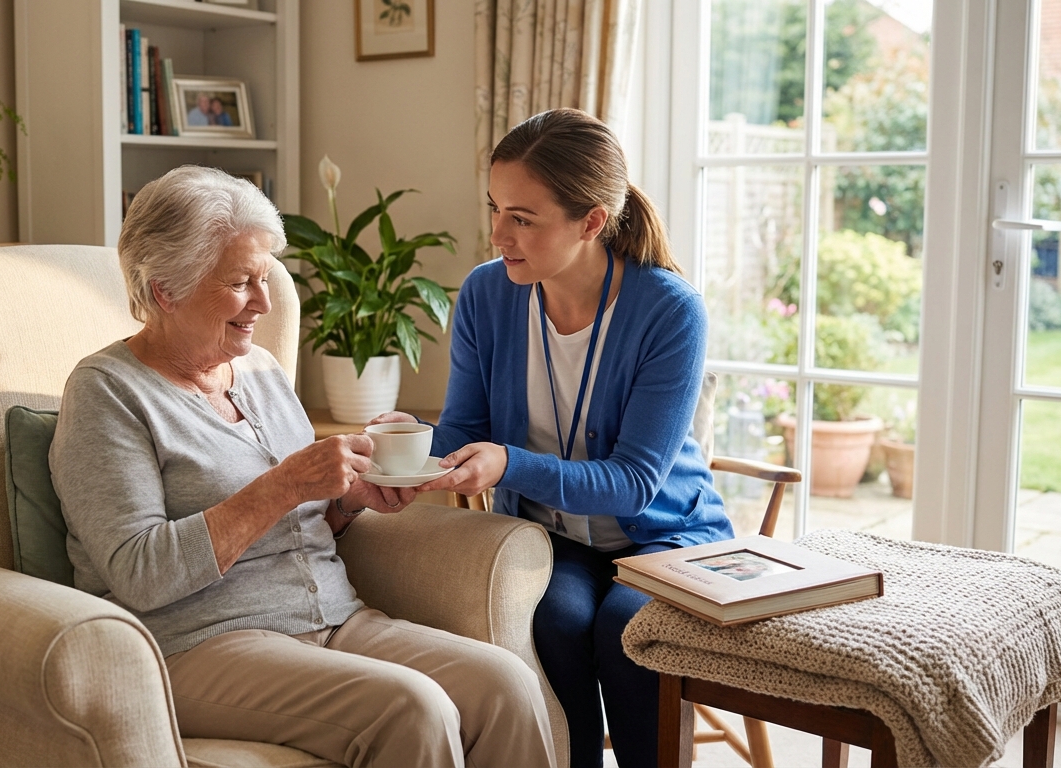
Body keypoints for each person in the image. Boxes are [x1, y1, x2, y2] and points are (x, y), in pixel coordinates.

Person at [49, 165, 556, 768]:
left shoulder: (259, 370)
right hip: (196, 645)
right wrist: (285, 483)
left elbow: (304, 521)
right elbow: (139, 572)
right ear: (167, 289)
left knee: (507, 686)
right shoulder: (108, 393)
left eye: (264, 279)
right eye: (242, 283)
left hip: (334, 618)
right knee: (412, 708)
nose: (264, 302)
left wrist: (348, 501)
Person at [374, 108, 735, 768]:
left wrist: (509, 463)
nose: (496, 234)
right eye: (495, 208)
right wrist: (415, 443)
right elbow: (465, 432)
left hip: (664, 539)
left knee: (629, 630)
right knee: (558, 622)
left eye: (522, 218)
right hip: (557, 539)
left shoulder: (669, 310)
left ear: (591, 221)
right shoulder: (486, 295)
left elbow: (632, 485)